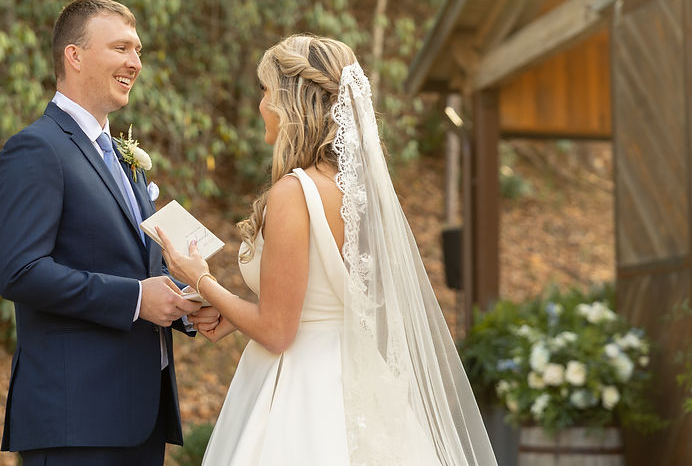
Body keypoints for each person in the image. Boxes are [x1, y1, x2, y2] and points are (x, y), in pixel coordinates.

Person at [159, 35, 498, 465]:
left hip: (301, 390)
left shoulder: (293, 193)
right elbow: (313, 300)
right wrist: (234, 313)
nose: (260, 105)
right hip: (356, 380)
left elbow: (278, 332)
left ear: (290, 102)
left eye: (266, 92)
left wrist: (200, 280)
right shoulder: (360, 193)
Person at [0, 0, 213, 466]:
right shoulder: (36, 148)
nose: (135, 63)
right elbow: (21, 272)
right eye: (121, 48)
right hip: (77, 422)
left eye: (137, 51)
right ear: (74, 56)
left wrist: (187, 305)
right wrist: (135, 299)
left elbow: (133, 263)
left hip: (142, 421)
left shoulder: (121, 156)